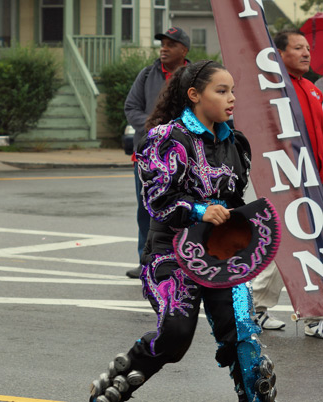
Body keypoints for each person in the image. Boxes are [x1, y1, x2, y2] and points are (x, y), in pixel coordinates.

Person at [89, 61, 275, 402]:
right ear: (194, 95)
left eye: (233, 91)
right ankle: (120, 380)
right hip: (171, 250)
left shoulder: (237, 143)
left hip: (221, 256)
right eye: (221, 91)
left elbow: (235, 202)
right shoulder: (166, 139)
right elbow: (156, 201)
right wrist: (202, 210)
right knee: (175, 334)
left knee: (244, 338)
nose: (231, 98)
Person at [251, 28, 323, 339]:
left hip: (313, 177)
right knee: (290, 244)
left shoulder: (311, 87)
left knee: (301, 245)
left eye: (307, 47)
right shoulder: (271, 91)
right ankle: (307, 315)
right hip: (286, 179)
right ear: (279, 55)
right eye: (298, 48)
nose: (306, 53)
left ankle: (263, 309)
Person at [123, 27, 190, 278]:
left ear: (184, 50)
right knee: (146, 208)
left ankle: (184, 260)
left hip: (185, 154)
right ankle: (146, 260)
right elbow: (131, 106)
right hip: (149, 155)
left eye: (171, 44)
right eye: (162, 43)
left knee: (184, 209)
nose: (164, 48)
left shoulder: (196, 76)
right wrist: (153, 127)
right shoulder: (147, 74)